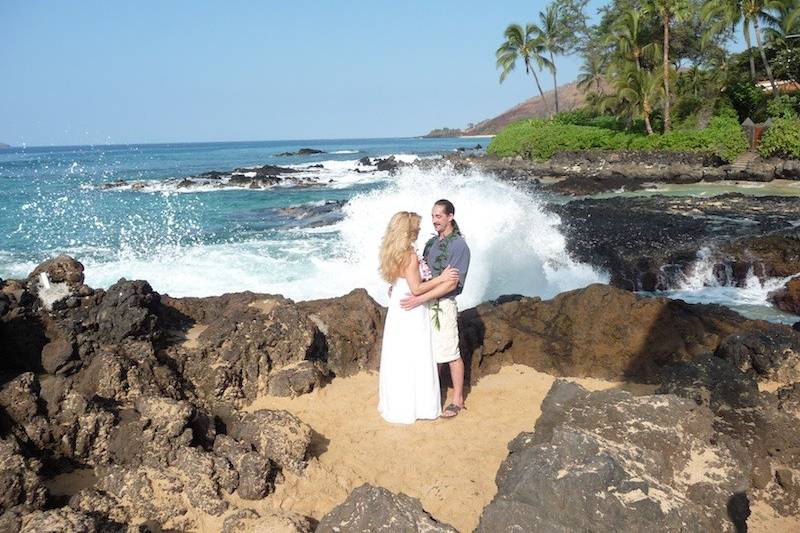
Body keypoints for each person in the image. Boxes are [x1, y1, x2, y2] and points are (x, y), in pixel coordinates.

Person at [377, 211, 460, 424]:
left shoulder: (390, 251)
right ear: (408, 230)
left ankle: (395, 403)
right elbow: (416, 289)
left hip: (397, 307)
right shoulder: (410, 255)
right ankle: (419, 405)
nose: (421, 229)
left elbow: (399, 282)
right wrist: (442, 278)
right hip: (411, 310)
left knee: (399, 355)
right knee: (416, 353)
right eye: (417, 226)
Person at [400, 199, 470, 418]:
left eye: (439, 216)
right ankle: (431, 392)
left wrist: (419, 299)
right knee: (430, 350)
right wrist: (401, 288)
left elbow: (450, 283)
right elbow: (422, 274)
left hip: (444, 304)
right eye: (432, 216)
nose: (434, 221)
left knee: (450, 352)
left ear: (451, 217)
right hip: (427, 303)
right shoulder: (431, 244)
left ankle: (457, 399)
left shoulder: (459, 245)